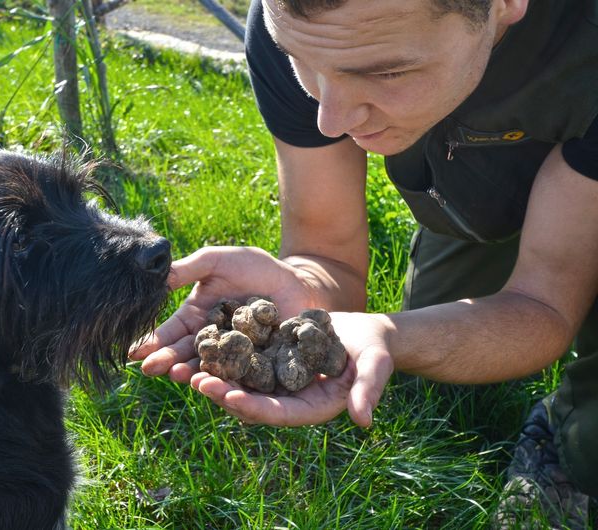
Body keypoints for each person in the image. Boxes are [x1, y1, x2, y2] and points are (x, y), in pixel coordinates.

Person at [130, 0, 598, 526]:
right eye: (299, 60)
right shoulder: (307, 25)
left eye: (387, 71)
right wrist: (320, 297)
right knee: (444, 379)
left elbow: (543, 304)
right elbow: (326, 252)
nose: (329, 118)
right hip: (480, 190)